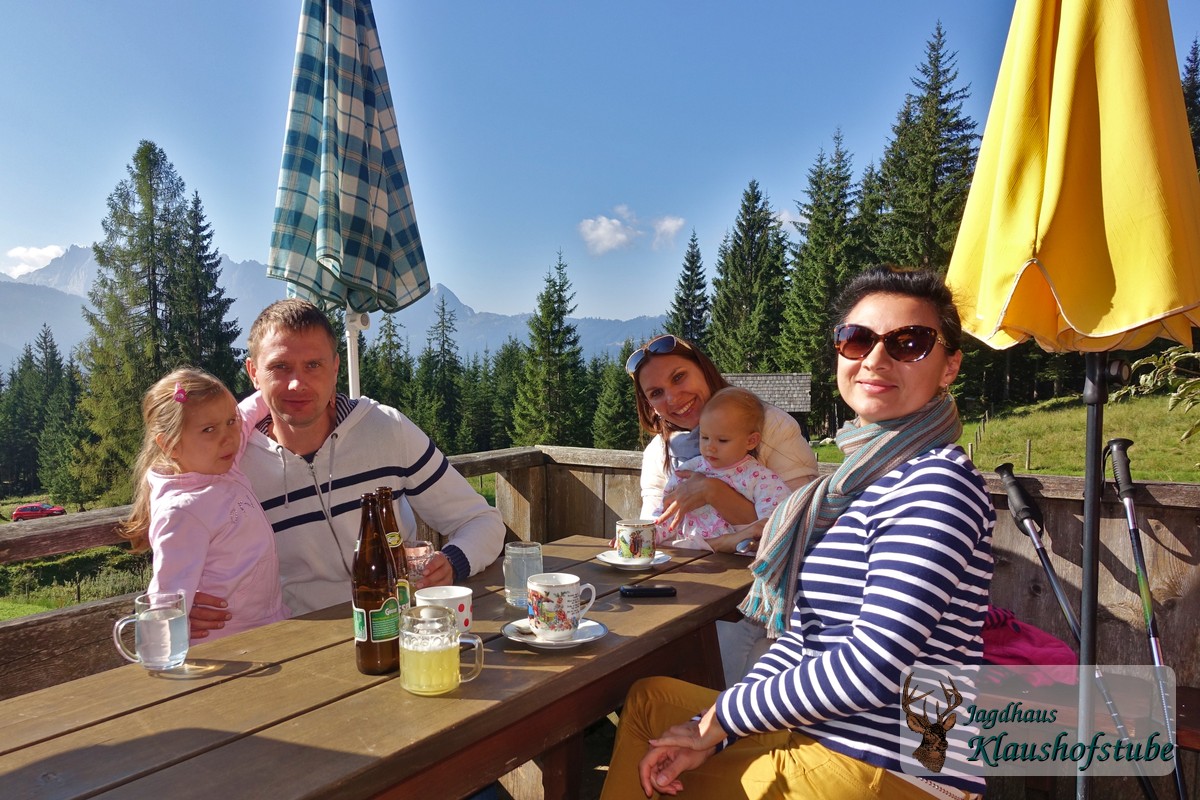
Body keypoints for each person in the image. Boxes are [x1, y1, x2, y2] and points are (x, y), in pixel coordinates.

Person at [601, 266, 995, 800]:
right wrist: (712, 730)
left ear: (950, 367)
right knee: (649, 701)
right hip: (830, 735)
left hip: (894, 766)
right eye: (856, 341)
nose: (875, 359)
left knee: (656, 736)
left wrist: (720, 721)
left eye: (909, 343)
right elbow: (804, 635)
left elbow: (872, 666)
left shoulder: (938, 482)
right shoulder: (855, 483)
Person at [189, 299, 504, 635]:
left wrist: (453, 562)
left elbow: (482, 521)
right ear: (253, 373)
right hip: (296, 643)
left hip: (399, 630)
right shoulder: (232, 465)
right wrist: (186, 602)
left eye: (313, 365)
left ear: (336, 368)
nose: (297, 383)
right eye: (280, 367)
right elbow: (181, 529)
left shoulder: (386, 428)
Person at [629, 334, 818, 684]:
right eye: (656, 393)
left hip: (767, 596)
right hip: (693, 593)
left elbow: (801, 524)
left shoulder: (769, 425)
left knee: (728, 658)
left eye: (679, 377)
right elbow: (653, 531)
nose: (672, 398)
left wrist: (713, 491)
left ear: (705, 370)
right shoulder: (659, 453)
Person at [120, 368, 288, 644]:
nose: (229, 437)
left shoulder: (221, 463)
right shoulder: (183, 512)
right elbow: (165, 598)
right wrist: (167, 644)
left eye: (230, 422)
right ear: (170, 444)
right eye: (209, 429)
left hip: (267, 629)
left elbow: (245, 416)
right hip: (227, 647)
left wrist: (275, 391)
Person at [653, 387, 790, 551]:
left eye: (722, 440)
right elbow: (665, 514)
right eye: (704, 437)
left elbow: (775, 526)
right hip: (689, 555)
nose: (710, 447)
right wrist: (644, 535)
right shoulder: (690, 470)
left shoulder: (760, 479)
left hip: (736, 563)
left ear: (751, 441)